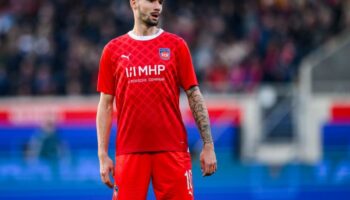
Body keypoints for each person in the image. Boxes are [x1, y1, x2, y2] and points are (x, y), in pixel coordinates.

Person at [96, 0, 217, 199]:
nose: (158, 6)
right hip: (129, 153)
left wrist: (208, 144)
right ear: (134, 2)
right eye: (152, 0)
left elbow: (194, 94)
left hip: (173, 151)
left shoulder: (176, 46)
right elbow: (106, 105)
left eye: (160, 2)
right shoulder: (113, 50)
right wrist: (102, 154)